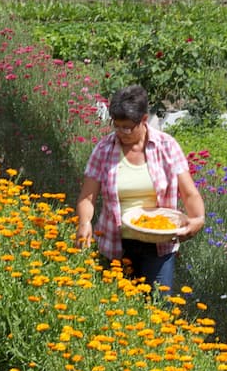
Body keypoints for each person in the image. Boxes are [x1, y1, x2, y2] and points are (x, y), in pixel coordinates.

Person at [75, 84, 205, 290]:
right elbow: (87, 197)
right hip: (115, 242)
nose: (121, 132)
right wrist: (84, 223)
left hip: (159, 244)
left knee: (158, 306)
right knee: (116, 310)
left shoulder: (167, 146)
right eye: (116, 125)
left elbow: (189, 192)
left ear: (144, 120)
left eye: (127, 127)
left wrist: (197, 219)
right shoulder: (104, 149)